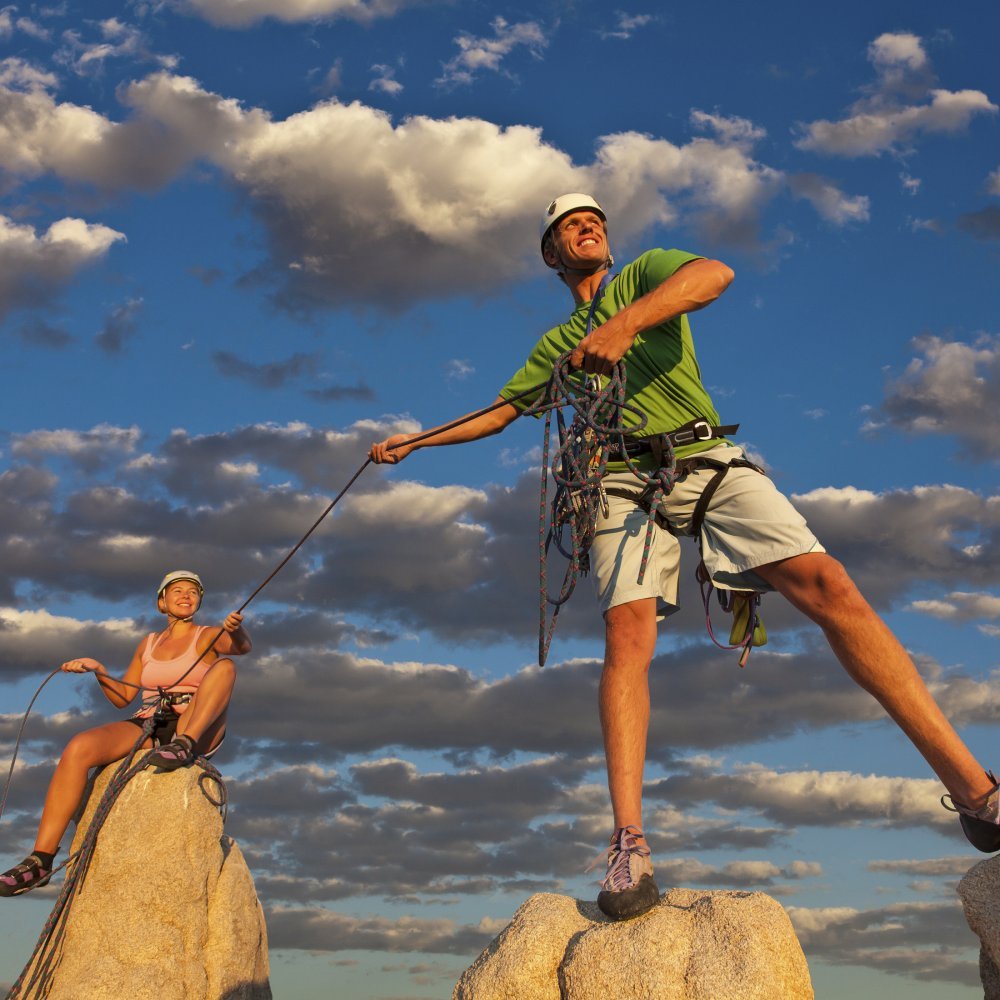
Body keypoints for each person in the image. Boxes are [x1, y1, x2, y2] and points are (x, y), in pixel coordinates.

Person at [368, 193, 1000, 920]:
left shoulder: (644, 276)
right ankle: (628, 845)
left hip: (701, 455)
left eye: (595, 219)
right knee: (627, 633)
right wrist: (416, 442)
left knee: (831, 588)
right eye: (571, 225)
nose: (589, 225)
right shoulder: (554, 346)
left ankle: (977, 793)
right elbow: (504, 410)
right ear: (551, 253)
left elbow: (715, 274)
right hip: (616, 479)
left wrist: (626, 323)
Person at [0, 570, 251, 897]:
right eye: (178, 590)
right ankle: (41, 860)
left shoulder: (207, 635)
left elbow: (240, 648)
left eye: (193, 591)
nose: (186, 595)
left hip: (197, 722)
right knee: (79, 748)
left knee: (226, 667)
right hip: (151, 720)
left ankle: (183, 745)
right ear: (162, 602)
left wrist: (238, 629)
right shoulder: (148, 644)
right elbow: (121, 698)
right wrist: (99, 670)